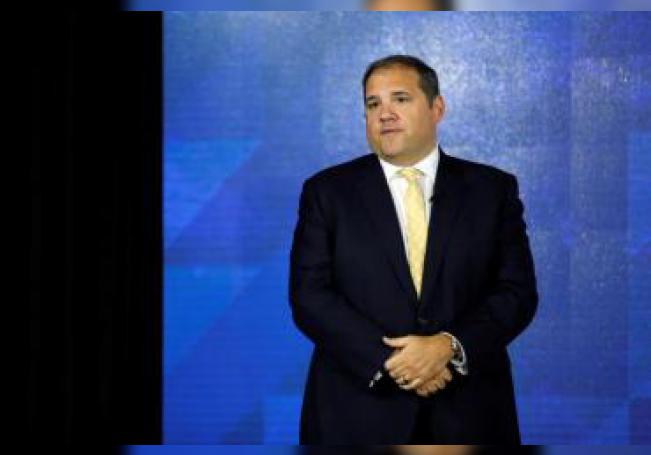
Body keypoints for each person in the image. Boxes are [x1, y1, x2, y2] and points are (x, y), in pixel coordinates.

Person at [288, 54, 538, 444]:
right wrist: (395, 362)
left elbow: (516, 293)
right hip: (355, 415)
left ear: (437, 108)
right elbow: (310, 297)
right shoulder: (327, 192)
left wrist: (448, 347)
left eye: (400, 99)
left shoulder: (492, 190)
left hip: (469, 414)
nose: (385, 113)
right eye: (373, 103)